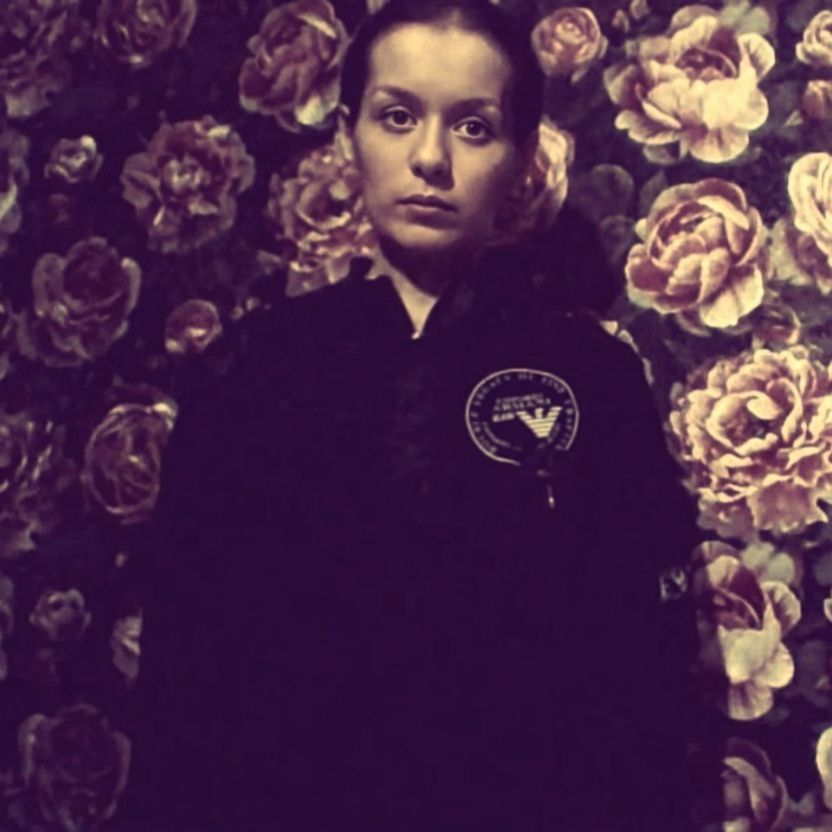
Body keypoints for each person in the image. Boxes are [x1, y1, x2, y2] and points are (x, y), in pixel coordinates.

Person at [119, 0, 704, 829]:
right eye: (397, 116)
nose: (430, 157)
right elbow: (181, 675)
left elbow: (646, 678)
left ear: (520, 159)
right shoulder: (251, 372)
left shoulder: (591, 377)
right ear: (349, 135)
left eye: (473, 126)